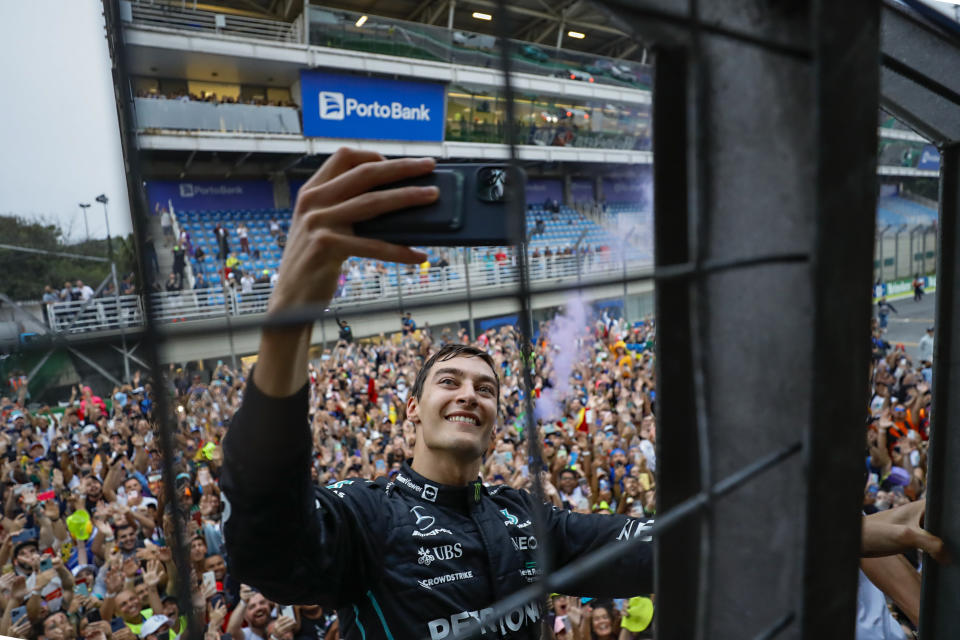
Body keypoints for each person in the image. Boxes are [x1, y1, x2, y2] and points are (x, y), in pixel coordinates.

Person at [221, 150, 656, 640]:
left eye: (485, 389)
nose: (469, 394)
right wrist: (288, 318)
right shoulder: (367, 516)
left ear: (495, 428)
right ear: (412, 411)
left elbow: (659, 547)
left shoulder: (527, 518)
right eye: (449, 382)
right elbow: (264, 548)